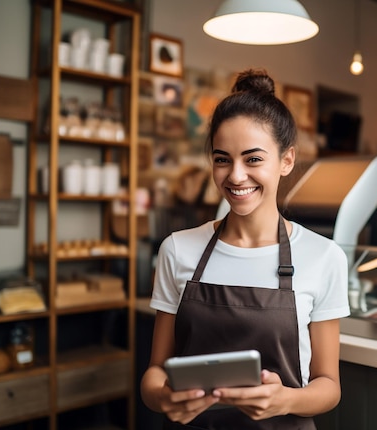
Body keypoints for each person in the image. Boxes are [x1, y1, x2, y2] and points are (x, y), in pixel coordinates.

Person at [140, 69, 350, 429]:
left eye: (253, 159)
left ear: (286, 161)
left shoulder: (324, 256)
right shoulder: (177, 250)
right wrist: (163, 398)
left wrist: (286, 400)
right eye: (222, 159)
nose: (235, 176)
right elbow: (155, 373)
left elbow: (328, 387)